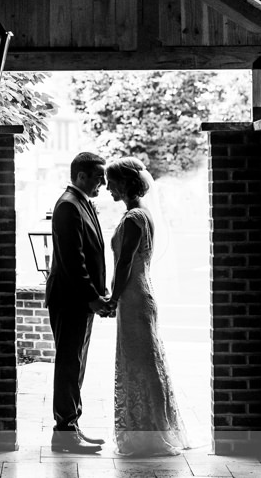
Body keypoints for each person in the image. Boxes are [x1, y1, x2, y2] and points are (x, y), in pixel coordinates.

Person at [104, 157, 189, 457]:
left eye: (112, 183)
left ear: (126, 183)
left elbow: (125, 263)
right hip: (142, 292)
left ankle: (146, 433)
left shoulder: (131, 219)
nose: (107, 188)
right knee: (146, 361)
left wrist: (113, 298)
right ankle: (152, 427)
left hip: (133, 296)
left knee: (139, 363)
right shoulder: (144, 214)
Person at [45, 152, 110, 453]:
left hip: (80, 301)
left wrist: (99, 291)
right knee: (69, 364)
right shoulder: (68, 206)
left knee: (76, 364)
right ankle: (65, 432)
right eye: (99, 177)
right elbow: (74, 261)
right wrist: (92, 297)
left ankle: (71, 426)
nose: (103, 183)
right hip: (70, 299)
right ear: (81, 176)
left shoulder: (81, 202)